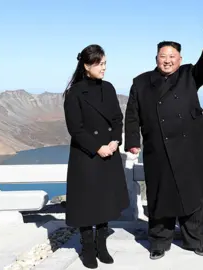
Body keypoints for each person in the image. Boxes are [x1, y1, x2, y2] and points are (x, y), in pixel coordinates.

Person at [124, 20, 203, 260]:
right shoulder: (141, 82)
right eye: (162, 56)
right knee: (159, 196)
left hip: (189, 150)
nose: (167, 60)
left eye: (172, 56)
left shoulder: (190, 74)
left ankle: (197, 241)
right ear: (156, 58)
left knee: (192, 197)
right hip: (157, 149)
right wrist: (132, 142)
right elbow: (132, 113)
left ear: (180, 59)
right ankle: (159, 242)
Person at [63, 44, 129, 269]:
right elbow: (76, 128)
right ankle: (88, 247)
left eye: (105, 64)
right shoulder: (74, 93)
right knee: (86, 203)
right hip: (86, 154)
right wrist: (97, 147)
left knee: (105, 200)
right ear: (86, 65)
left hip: (109, 152)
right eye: (100, 64)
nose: (104, 68)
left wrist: (114, 140)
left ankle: (102, 245)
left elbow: (117, 118)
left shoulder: (108, 88)